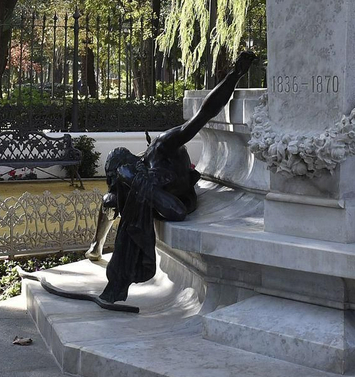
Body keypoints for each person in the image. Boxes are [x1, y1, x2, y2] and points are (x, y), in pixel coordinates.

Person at [93, 50, 256, 305]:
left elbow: (203, 115)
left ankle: (118, 279)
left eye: (120, 176)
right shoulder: (138, 174)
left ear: (131, 162)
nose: (121, 183)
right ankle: (96, 247)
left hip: (180, 198)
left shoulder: (162, 147)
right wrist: (126, 184)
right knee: (112, 199)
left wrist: (234, 75)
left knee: (137, 192)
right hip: (164, 199)